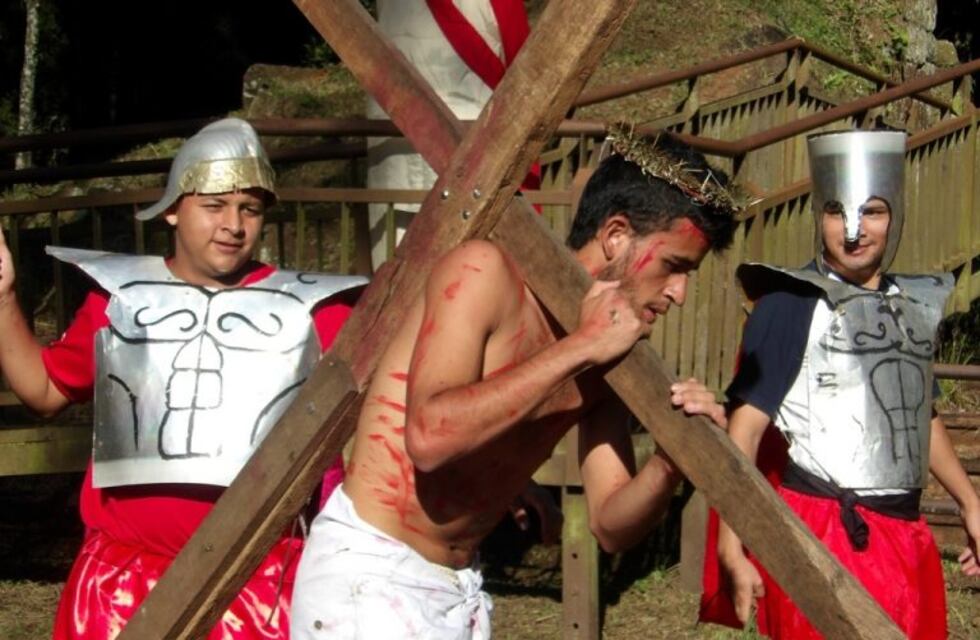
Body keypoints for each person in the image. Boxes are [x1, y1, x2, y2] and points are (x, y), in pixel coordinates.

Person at [291, 128, 740, 639]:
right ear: (615, 235)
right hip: (368, 574)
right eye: (673, 266)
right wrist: (578, 348)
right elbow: (430, 438)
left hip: (459, 585)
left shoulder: (609, 362)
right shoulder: (483, 272)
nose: (679, 293)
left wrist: (670, 463)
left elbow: (612, 525)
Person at [0, 118, 367, 639]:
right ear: (173, 209)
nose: (233, 225)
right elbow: (41, 391)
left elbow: (391, 414)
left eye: (250, 209)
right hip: (119, 587)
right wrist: (3, 295)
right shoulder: (118, 301)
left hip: (258, 589)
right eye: (214, 206)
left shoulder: (320, 314)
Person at [702, 129, 980, 639]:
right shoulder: (789, 304)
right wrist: (729, 544)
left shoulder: (912, 305)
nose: (854, 230)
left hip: (903, 538)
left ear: (894, 211)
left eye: (872, 211)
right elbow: (742, 436)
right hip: (821, 535)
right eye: (837, 212)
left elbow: (921, 416)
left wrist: (971, 504)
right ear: (819, 215)